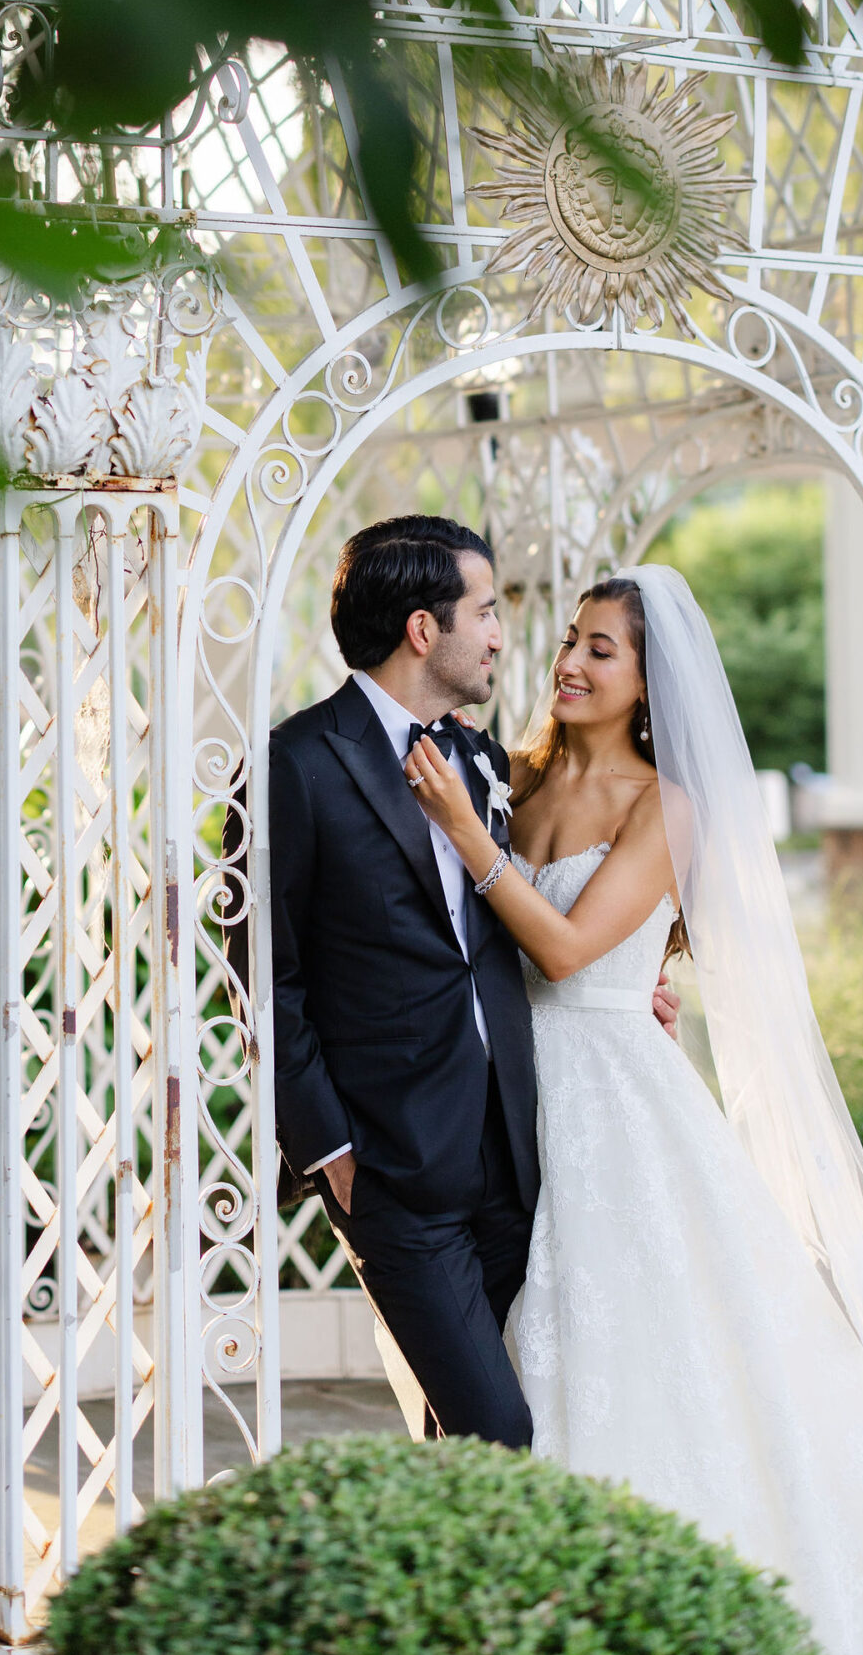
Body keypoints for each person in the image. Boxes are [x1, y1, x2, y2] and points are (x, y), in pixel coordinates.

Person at [403, 562, 863, 1655]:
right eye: (571, 639)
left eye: (602, 650)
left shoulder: (664, 805)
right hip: (505, 1100)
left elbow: (570, 952)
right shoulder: (508, 774)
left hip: (617, 1106)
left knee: (647, 1355)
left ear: (649, 684)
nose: (571, 662)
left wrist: (469, 841)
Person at [267, 517, 677, 1446]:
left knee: (490, 1423)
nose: (504, 636)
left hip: (525, 1154)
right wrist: (329, 1150)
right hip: (392, 1168)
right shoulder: (299, 764)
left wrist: (635, 987)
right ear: (424, 629)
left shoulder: (487, 764)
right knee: (497, 1434)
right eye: (486, 612)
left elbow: (531, 933)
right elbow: (265, 978)